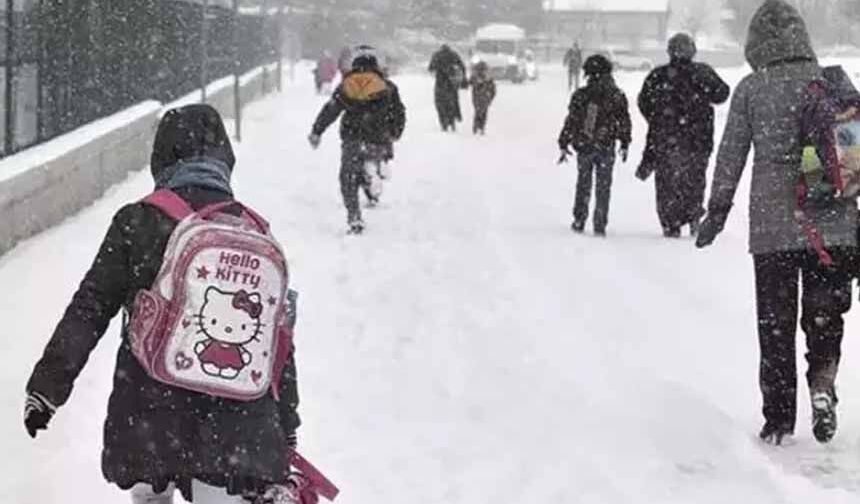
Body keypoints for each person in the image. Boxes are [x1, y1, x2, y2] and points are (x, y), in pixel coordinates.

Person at [23, 104, 303, 503]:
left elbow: (90, 308)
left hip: (149, 413)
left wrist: (47, 387)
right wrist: (286, 422)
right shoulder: (253, 231)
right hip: (236, 426)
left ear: (161, 157)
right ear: (225, 159)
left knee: (150, 494)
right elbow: (278, 340)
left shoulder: (138, 221)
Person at [696, 0, 858, 446]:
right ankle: (822, 382)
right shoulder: (831, 82)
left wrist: (717, 210)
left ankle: (779, 420)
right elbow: (852, 156)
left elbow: (731, 154)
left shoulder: (752, 88)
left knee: (775, 325)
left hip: (774, 228)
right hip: (833, 225)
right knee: (824, 315)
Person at [637, 33, 730, 238]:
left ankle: (670, 222)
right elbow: (722, 94)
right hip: (698, 139)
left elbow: (644, 102)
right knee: (694, 179)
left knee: (667, 182)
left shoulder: (658, 75)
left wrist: (659, 119)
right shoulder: (702, 73)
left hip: (665, 139)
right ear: (692, 51)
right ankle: (693, 214)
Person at [309, 45, 407, 235]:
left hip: (352, 137)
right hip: (378, 137)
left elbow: (331, 110)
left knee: (348, 177)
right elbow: (398, 112)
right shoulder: (387, 87)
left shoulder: (347, 85)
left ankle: (354, 216)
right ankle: (375, 174)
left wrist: (317, 131)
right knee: (374, 159)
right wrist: (395, 132)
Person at [558, 54, 632, 237]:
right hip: (606, 145)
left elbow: (572, 120)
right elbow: (624, 121)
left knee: (583, 183)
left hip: (585, 144)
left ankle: (579, 218)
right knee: (603, 186)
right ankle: (600, 222)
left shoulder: (582, 95)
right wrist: (624, 142)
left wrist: (564, 141)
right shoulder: (616, 95)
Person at [429, 44, 467, 132]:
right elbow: (462, 67)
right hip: (451, 83)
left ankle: (444, 122)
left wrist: (438, 69)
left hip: (440, 83)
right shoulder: (454, 55)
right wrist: (462, 78)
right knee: (453, 102)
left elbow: (431, 68)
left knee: (440, 103)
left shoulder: (436, 55)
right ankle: (452, 119)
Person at [469, 61, 497, 135]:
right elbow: (493, 89)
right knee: (482, 111)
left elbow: (469, 82)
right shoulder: (486, 78)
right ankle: (480, 126)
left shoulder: (478, 77)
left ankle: (478, 126)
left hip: (480, 96)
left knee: (479, 111)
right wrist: (491, 97)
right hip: (483, 97)